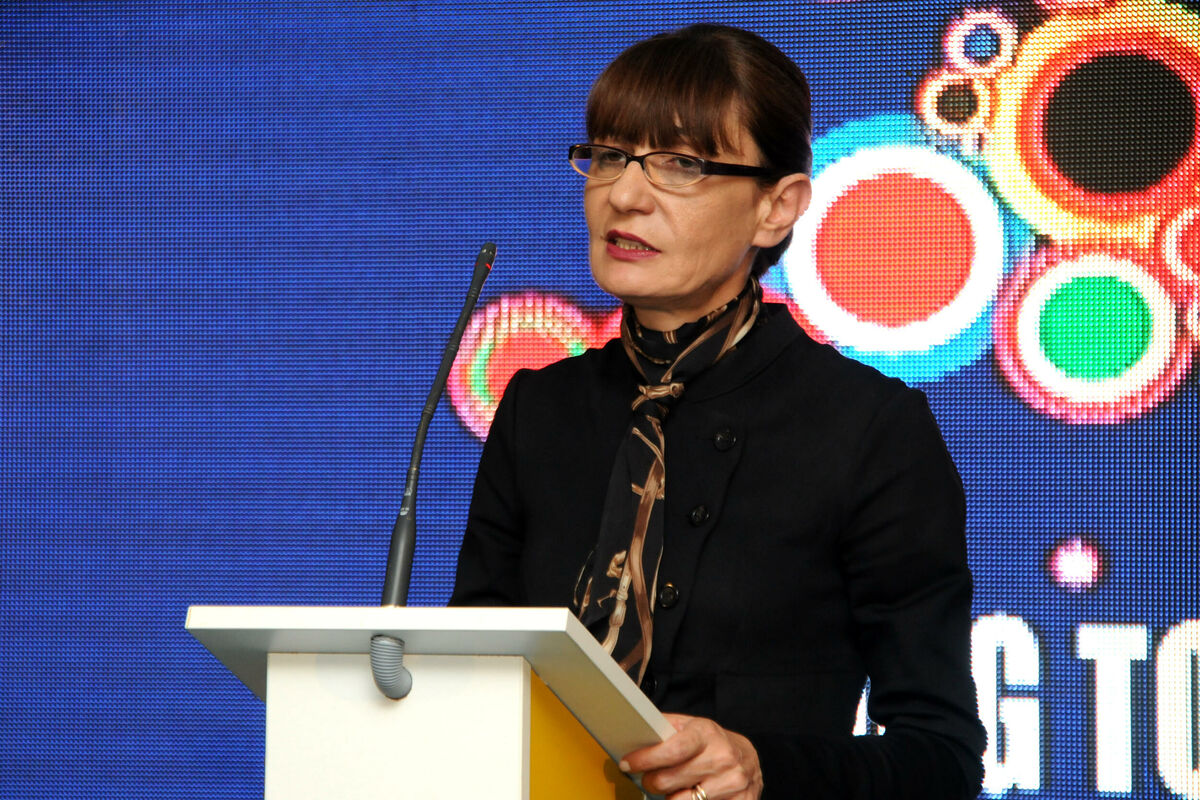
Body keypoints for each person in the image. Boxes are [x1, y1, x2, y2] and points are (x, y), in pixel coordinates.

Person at [451, 23, 986, 800]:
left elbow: (941, 760)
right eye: (608, 155)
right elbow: (470, 682)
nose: (624, 195)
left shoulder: (867, 428)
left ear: (778, 207)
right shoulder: (540, 409)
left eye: (681, 164)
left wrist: (764, 769)